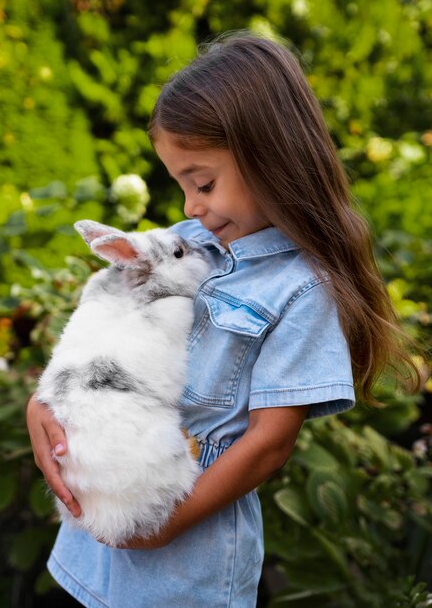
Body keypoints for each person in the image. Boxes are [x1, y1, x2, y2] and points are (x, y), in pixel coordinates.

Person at [26, 31, 419, 608]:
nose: (189, 206)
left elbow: (267, 443)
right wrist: (45, 405)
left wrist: (167, 523)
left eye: (203, 183)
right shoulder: (185, 243)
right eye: (180, 184)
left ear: (271, 155)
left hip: (185, 561)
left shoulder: (304, 288)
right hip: (92, 547)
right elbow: (98, 324)